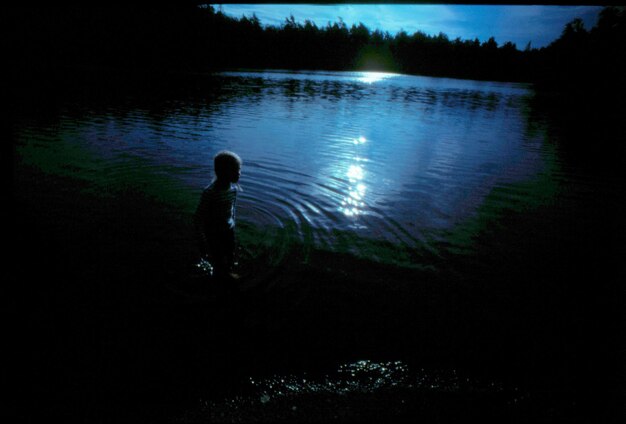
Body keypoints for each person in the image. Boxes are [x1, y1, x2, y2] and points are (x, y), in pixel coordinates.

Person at [195, 150, 242, 281]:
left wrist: (233, 224)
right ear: (224, 172)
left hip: (228, 229)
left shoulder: (233, 190)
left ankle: (226, 272)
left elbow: (232, 210)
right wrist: (201, 237)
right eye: (236, 170)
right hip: (213, 232)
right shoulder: (210, 192)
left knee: (230, 252)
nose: (239, 173)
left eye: (239, 170)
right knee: (217, 257)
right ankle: (220, 276)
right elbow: (199, 216)